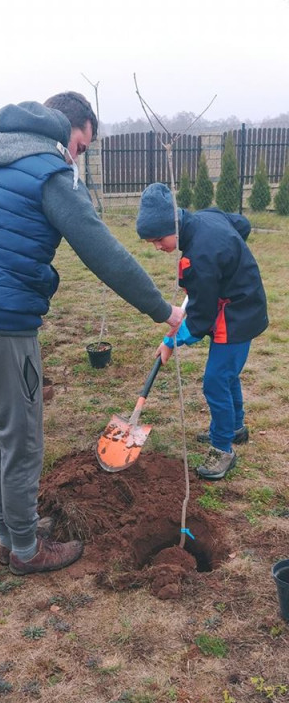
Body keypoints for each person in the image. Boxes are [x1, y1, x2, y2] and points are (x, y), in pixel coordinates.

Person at [0, 92, 185, 575]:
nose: (76, 157)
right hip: (3, 331)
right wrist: (161, 309)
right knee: (21, 442)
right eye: (79, 146)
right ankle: (26, 551)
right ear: (64, 131)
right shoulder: (49, 173)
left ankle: (11, 535)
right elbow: (102, 252)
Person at [136, 182, 268, 481]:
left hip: (237, 314)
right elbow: (241, 224)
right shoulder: (205, 217)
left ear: (175, 225)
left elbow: (201, 316)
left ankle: (223, 448)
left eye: (159, 239)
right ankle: (234, 427)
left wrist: (173, 340)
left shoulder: (201, 257)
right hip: (236, 305)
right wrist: (231, 259)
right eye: (151, 242)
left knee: (215, 381)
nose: (157, 247)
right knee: (226, 374)